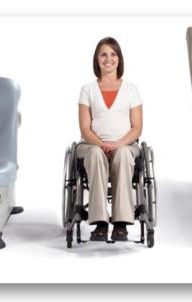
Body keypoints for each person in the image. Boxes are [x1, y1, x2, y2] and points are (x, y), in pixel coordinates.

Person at [76, 37, 143, 242]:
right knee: (96, 153)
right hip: (91, 145)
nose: (108, 59)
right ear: (97, 59)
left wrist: (118, 144)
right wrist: (101, 144)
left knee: (123, 154)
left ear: (119, 59)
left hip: (125, 145)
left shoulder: (131, 89)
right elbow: (85, 128)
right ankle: (100, 223)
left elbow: (137, 128)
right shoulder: (87, 89)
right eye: (104, 54)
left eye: (113, 54)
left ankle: (121, 223)